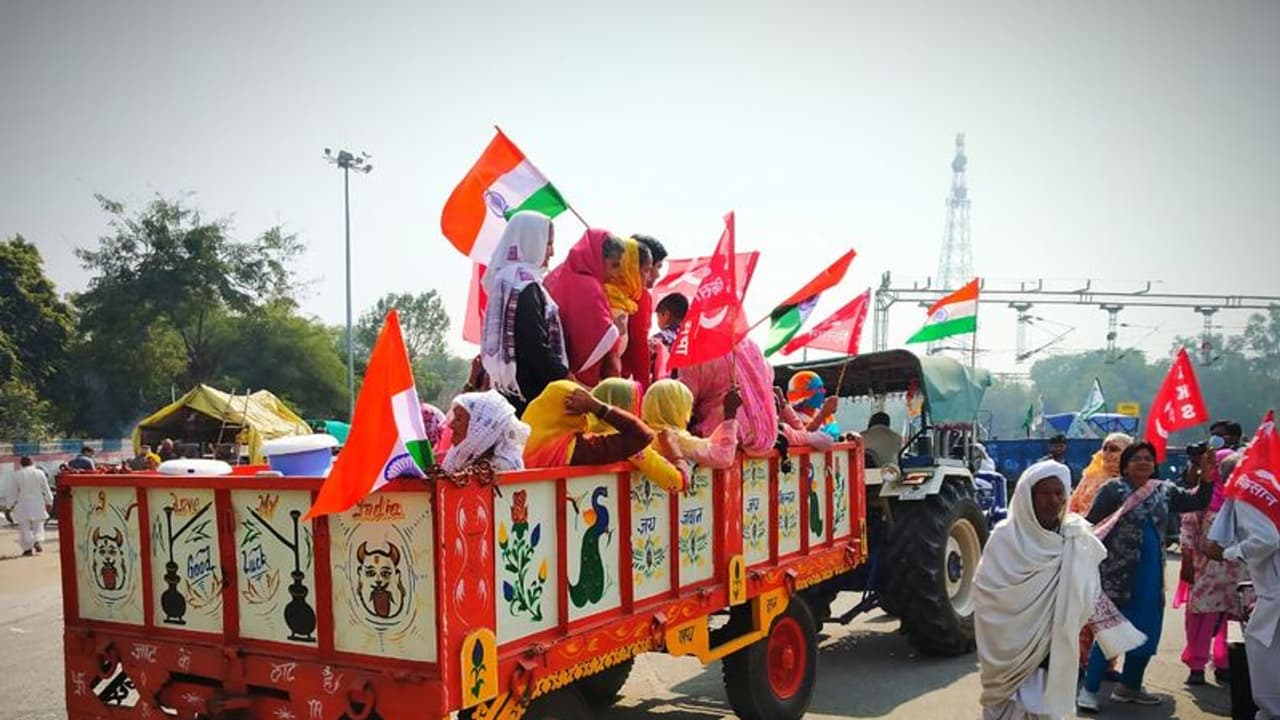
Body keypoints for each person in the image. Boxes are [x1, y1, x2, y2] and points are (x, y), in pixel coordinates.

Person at [975, 461, 1138, 720]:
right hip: (1011, 646)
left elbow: (1088, 588)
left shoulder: (1075, 536)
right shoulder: (1006, 537)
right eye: (1045, 493)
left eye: (1059, 492)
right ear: (1028, 497)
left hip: (1056, 645)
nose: (1053, 500)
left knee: (1046, 707)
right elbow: (987, 593)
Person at [1076, 441, 1214, 710]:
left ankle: (1130, 686)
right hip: (1117, 577)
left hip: (1151, 578)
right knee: (1110, 634)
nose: (1143, 462)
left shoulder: (1164, 491)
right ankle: (1089, 690)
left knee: (1147, 634)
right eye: (1136, 458)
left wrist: (1206, 479)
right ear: (1126, 465)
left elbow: (1198, 500)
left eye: (1148, 458)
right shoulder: (1113, 489)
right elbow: (1090, 524)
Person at [1205, 448, 1280, 717]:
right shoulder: (1271, 491)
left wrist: (1228, 552)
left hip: (1275, 599)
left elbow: (1267, 540)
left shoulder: (1249, 496)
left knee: (1268, 682)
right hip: (1270, 593)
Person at [480, 211, 570, 415]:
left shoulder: (505, 280)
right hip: (531, 395)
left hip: (508, 391)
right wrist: (566, 377)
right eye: (548, 244)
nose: (552, 252)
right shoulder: (525, 285)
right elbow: (534, 346)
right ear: (531, 241)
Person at [1174, 449, 1244, 685]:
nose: (1230, 474)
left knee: (1230, 617)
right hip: (1206, 568)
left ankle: (1224, 662)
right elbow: (1188, 532)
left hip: (1237, 570)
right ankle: (1196, 664)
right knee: (1201, 617)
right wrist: (1186, 563)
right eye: (1226, 468)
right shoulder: (1202, 496)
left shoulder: (1245, 498)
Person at [543, 229, 625, 387]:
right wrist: (616, 331)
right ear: (598, 258)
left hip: (552, 374)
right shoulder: (591, 287)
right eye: (614, 265)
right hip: (580, 383)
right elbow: (604, 338)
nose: (615, 274)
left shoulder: (556, 276)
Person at [522, 380, 655, 469]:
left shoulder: (518, 441)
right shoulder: (578, 449)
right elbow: (643, 436)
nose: (586, 416)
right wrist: (597, 407)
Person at [680, 338, 779, 456]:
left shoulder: (692, 347)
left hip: (719, 435)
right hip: (766, 437)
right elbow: (769, 377)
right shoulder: (751, 346)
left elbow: (682, 400)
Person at [587, 378, 685, 491]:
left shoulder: (584, 436)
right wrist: (676, 454)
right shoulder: (630, 443)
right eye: (635, 403)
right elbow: (677, 482)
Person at [643, 379, 740, 470]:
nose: (691, 413)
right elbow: (723, 456)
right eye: (688, 408)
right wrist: (730, 414)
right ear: (678, 409)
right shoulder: (676, 438)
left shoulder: (644, 435)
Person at [440, 391, 530, 473]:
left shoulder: (501, 468)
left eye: (458, 419)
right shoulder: (459, 457)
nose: (451, 425)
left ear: (480, 427)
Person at [602, 238, 651, 371]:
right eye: (646, 270)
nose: (649, 277)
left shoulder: (622, 300)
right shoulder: (613, 301)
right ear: (631, 268)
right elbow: (610, 361)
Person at [1068, 433, 1132, 517]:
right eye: (1104, 448)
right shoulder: (1091, 476)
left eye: (1113, 449)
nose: (1106, 452)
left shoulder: (1133, 479)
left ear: (1126, 453)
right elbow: (1072, 506)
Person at [10, 457, 53, 556]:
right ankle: (37, 541)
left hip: (22, 504)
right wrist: (49, 502)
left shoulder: (16, 475)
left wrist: (9, 506)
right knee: (38, 526)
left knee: (24, 527)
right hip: (38, 503)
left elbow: (13, 493)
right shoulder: (39, 473)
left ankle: (28, 549)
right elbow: (46, 489)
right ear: (32, 462)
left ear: (21, 464)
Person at [786, 371, 840, 439]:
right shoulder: (791, 416)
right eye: (819, 388)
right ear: (805, 393)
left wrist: (849, 436)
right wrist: (823, 414)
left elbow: (835, 437)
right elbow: (803, 435)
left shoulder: (825, 414)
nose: (824, 391)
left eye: (822, 388)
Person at [649, 292, 688, 382]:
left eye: (658, 317)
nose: (658, 322)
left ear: (666, 314)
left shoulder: (659, 339)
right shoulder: (693, 337)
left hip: (664, 389)